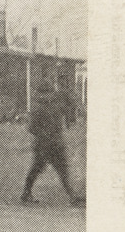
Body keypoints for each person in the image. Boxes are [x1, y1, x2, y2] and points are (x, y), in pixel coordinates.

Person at [22, 78, 85, 206]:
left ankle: (72, 195)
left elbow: (70, 106)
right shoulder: (40, 108)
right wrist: (46, 134)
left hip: (52, 144)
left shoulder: (53, 105)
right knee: (39, 169)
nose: (49, 95)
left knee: (58, 170)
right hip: (45, 145)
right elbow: (32, 128)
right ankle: (26, 192)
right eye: (48, 92)